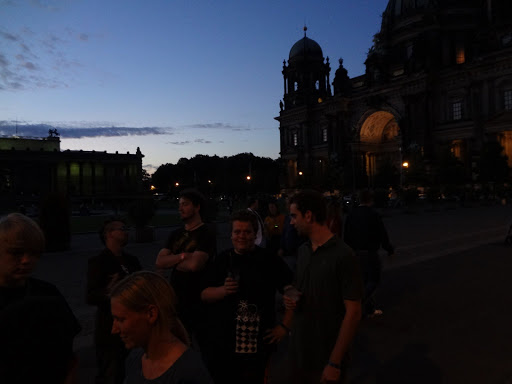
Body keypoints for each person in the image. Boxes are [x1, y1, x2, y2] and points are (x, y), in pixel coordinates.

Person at [201, 210, 294, 384]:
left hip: (257, 343)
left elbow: (292, 290)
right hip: (224, 343)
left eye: (247, 232)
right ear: (231, 235)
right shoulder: (222, 260)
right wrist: (223, 290)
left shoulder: (268, 259)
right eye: (237, 231)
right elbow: (204, 294)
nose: (241, 236)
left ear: (255, 234)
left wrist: (285, 326)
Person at [286, 190, 363, 384]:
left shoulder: (343, 255)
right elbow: (300, 288)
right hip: (302, 352)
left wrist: (334, 362)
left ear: (309, 215)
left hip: (326, 357)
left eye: (294, 216)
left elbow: (353, 312)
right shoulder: (303, 251)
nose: (291, 222)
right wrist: (291, 296)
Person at [0, 213, 81, 382]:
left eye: (34, 253)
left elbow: (69, 355)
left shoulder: (48, 293)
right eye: (16, 252)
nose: (26, 260)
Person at [110, 271, 213, 384]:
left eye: (121, 320)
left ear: (151, 314)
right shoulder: (134, 359)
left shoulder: (189, 373)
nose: (114, 330)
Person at [155, 188, 216, 345]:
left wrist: (173, 260)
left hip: (198, 301)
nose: (180, 208)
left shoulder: (206, 233)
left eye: (185, 204)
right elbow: (160, 262)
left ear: (197, 207)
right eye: (179, 204)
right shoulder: (175, 234)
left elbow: (195, 265)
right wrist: (183, 256)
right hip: (176, 300)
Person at [87, 217, 142, 384]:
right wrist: (109, 293)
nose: (126, 232)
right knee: (110, 373)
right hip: (110, 329)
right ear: (109, 234)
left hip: (133, 327)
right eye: (122, 228)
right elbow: (91, 295)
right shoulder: (98, 262)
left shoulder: (132, 261)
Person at [344, 189, 394, 317]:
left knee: (363, 281)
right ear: (370, 200)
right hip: (370, 252)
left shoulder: (351, 214)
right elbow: (382, 234)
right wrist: (389, 248)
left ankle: (369, 309)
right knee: (373, 280)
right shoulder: (373, 214)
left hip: (355, 252)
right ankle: (358, 304)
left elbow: (347, 235)